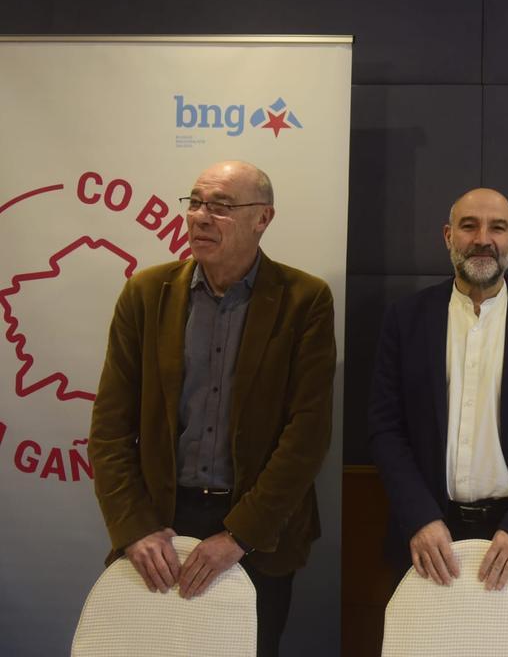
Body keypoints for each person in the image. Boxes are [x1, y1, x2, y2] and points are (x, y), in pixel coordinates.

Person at [88, 160, 336, 656]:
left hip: (257, 534)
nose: (200, 216)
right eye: (196, 202)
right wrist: (134, 527)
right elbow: (110, 429)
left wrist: (240, 536)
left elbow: (306, 435)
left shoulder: (304, 300)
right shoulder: (145, 294)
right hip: (158, 525)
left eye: (220, 206)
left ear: (262, 218)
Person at [368, 188, 508, 592]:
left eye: (497, 228)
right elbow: (385, 428)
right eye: (469, 226)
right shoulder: (405, 320)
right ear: (448, 236)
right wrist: (419, 517)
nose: (483, 239)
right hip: (427, 540)